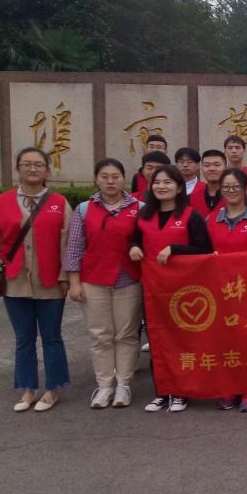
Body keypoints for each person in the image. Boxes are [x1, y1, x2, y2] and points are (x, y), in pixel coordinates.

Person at [0, 147, 72, 412]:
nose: (32, 168)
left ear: (47, 170)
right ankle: (28, 388)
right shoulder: (2, 201)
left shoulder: (60, 203)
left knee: (52, 336)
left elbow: (67, 243)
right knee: (24, 338)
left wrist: (66, 276)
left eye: (38, 164)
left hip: (51, 281)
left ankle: (53, 387)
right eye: (26, 164)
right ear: (18, 168)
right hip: (14, 281)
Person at [129, 164, 213, 413]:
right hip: (153, 289)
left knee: (181, 341)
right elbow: (133, 240)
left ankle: (182, 391)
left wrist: (176, 249)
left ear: (178, 188)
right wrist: (133, 247)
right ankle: (162, 391)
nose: (161, 186)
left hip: (183, 291)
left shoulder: (190, 216)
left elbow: (204, 249)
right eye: (157, 182)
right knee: (157, 340)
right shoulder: (143, 216)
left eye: (167, 182)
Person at [65, 158, 143, 410]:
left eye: (115, 177)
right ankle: (105, 385)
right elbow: (74, 248)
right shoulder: (84, 209)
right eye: (105, 177)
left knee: (126, 334)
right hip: (94, 280)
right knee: (100, 335)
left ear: (124, 179)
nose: (110, 181)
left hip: (129, 280)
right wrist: (74, 282)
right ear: (97, 179)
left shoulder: (140, 208)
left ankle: (124, 384)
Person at [206, 168, 247, 413]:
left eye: (236, 186)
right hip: (220, 290)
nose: (231, 191)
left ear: (245, 189)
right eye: (226, 187)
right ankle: (228, 387)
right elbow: (202, 253)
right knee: (224, 339)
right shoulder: (211, 219)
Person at [188, 149, 226, 218]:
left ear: (225, 167)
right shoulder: (191, 198)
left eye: (217, 165)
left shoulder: (234, 196)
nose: (212, 169)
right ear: (201, 167)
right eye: (207, 165)